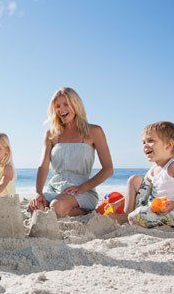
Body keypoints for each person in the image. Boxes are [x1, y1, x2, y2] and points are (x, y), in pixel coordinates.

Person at [28, 87, 113, 217]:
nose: (61, 110)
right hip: (55, 189)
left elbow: (108, 169)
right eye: (57, 106)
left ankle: (85, 212)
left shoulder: (94, 131)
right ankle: (68, 212)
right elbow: (43, 165)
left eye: (66, 104)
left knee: (56, 206)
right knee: (35, 208)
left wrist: (81, 188)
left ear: (76, 104)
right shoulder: (51, 134)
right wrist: (38, 192)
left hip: (82, 191)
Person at [109, 121, 174, 227]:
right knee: (134, 179)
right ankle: (126, 214)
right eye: (143, 142)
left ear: (169, 145)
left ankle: (130, 216)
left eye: (150, 141)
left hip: (170, 214)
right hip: (152, 208)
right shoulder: (153, 169)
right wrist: (118, 203)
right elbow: (139, 191)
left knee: (137, 216)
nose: (145, 145)